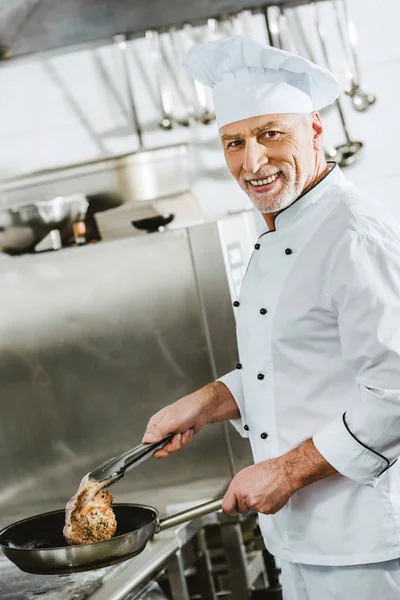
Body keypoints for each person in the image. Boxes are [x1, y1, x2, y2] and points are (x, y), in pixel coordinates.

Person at [143, 36, 400, 599]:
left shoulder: (352, 235)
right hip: (299, 539)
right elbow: (298, 358)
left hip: (368, 543)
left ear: (314, 129)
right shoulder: (283, 227)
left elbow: (394, 391)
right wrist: (210, 400)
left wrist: (285, 472)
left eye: (270, 135)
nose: (251, 162)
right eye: (234, 142)